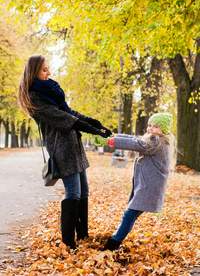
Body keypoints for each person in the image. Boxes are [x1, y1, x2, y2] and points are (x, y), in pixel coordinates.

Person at [18, 54, 112, 250]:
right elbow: (64, 118)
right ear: (34, 71)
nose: (49, 73)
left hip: (74, 146)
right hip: (62, 149)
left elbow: (70, 112)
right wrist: (92, 130)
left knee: (84, 191)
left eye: (48, 69)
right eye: (44, 70)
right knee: (74, 192)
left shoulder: (51, 92)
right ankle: (69, 242)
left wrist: (95, 123)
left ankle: (83, 235)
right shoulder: (35, 98)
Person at [94, 113, 176, 251]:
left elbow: (135, 144)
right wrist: (114, 136)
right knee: (130, 215)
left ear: (164, 130)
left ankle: (112, 245)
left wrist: (110, 142)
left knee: (129, 215)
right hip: (147, 186)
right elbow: (134, 138)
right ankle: (114, 243)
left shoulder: (157, 142)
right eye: (150, 125)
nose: (151, 128)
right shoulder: (153, 140)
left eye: (156, 127)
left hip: (149, 187)